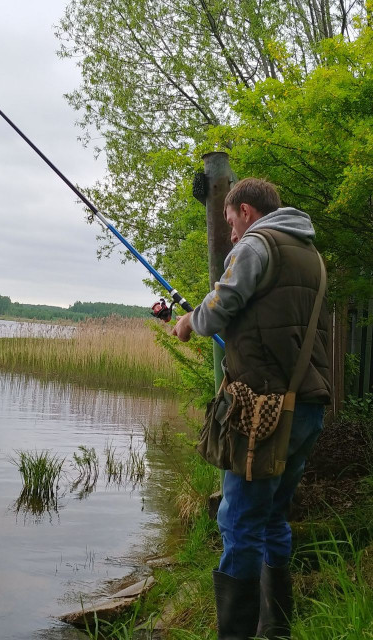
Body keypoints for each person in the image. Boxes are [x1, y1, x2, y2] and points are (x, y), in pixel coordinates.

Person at [173, 178, 331, 640]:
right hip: (307, 407)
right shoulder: (311, 255)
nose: (233, 233)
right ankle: (275, 628)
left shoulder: (258, 244)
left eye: (230, 222)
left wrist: (188, 322)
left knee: (239, 521)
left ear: (245, 210)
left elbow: (220, 307)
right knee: (274, 515)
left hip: (263, 411)